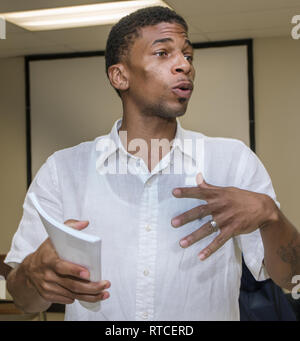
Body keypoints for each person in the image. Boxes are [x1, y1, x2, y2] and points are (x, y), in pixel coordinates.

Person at [5, 6, 300, 321]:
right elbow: (24, 301)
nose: (183, 65)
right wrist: (33, 274)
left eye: (188, 56)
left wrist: (271, 216)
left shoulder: (232, 161)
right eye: (163, 53)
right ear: (120, 76)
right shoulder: (62, 171)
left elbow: (291, 280)